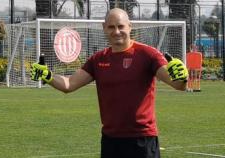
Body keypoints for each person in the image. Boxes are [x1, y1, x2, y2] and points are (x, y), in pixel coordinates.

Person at [31, 8, 188, 158]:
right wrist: (48, 76)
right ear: (104, 28)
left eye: (121, 26)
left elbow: (178, 85)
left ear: (130, 27)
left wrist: (182, 78)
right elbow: (69, 84)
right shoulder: (98, 60)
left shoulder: (148, 54)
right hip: (110, 140)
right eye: (111, 27)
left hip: (142, 140)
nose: (117, 31)